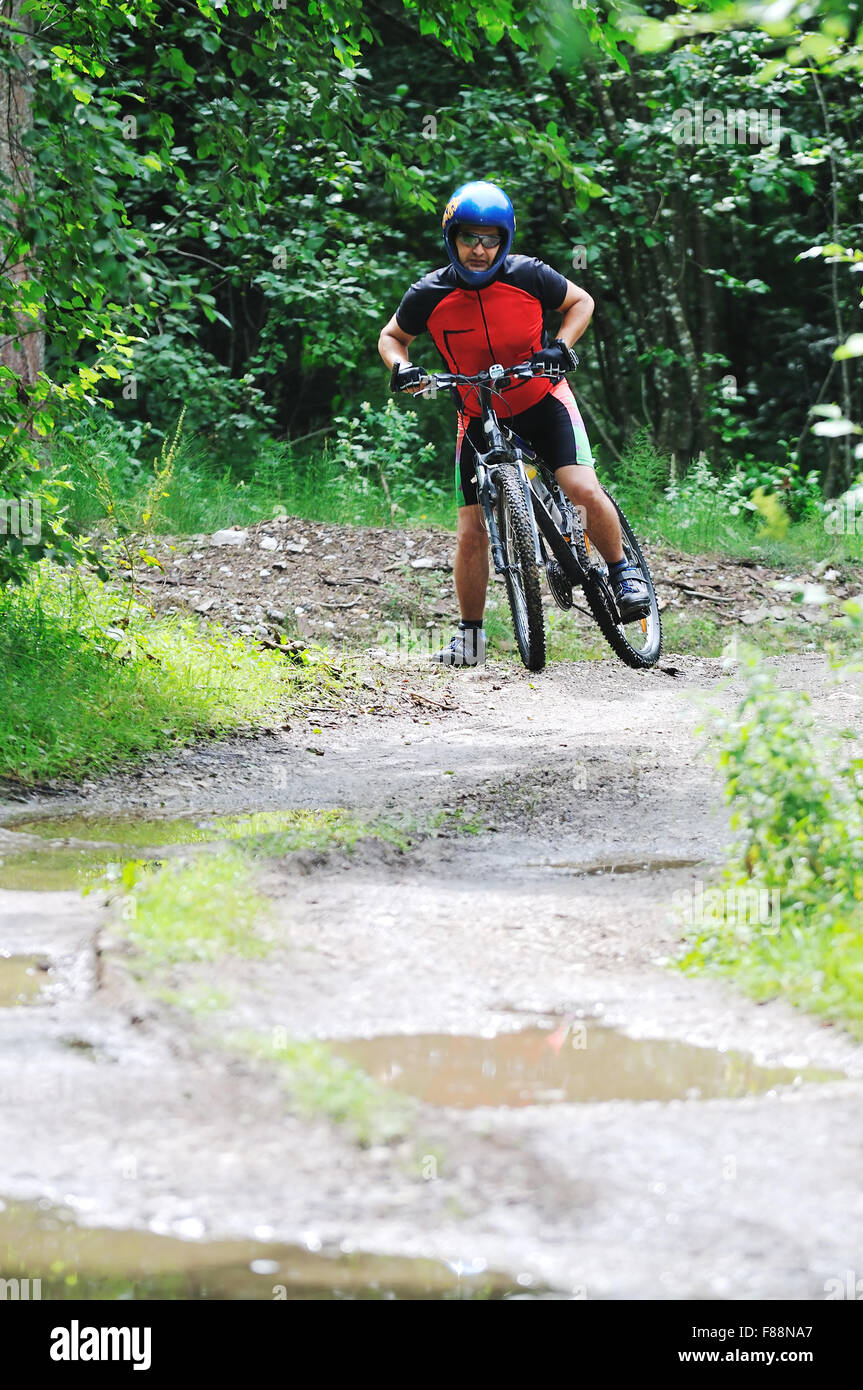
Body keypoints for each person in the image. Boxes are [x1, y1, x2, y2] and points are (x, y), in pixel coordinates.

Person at [377, 179, 649, 666]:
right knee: (470, 530)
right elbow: (392, 337)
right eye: (469, 238)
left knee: (582, 488)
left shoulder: (529, 275)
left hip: (542, 398)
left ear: (506, 240)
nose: (479, 251)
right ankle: (470, 638)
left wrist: (560, 347)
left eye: (491, 239)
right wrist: (403, 368)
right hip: (477, 413)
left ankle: (622, 570)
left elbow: (580, 303)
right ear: (451, 237)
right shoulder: (429, 292)